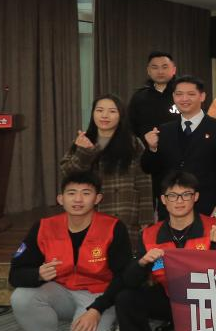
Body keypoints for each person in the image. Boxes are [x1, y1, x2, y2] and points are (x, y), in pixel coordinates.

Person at [9, 171, 126, 331]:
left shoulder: (113, 227)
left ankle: (106, 330)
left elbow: (123, 277)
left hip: (100, 294)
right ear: (61, 199)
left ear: (98, 198)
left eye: (86, 193)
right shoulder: (44, 227)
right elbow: (15, 274)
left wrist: (96, 310)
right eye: (71, 193)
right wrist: (37, 274)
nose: (78, 199)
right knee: (21, 297)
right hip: (61, 291)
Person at [116, 171, 216, 331]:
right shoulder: (149, 234)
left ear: (196, 197)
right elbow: (130, 279)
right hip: (170, 299)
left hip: (207, 303)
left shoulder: (214, 228)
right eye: (172, 196)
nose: (179, 201)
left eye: (185, 195)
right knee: (126, 297)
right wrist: (142, 262)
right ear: (163, 200)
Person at [140, 75, 216, 220]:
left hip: (208, 206)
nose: (184, 99)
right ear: (173, 97)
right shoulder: (164, 130)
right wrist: (152, 149)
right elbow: (149, 168)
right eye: (179, 94)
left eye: (191, 94)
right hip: (171, 207)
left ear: (202, 96)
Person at [60, 94, 153, 233]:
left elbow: (144, 181)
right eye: (99, 110)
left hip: (126, 209)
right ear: (93, 114)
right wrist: (83, 152)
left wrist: (146, 217)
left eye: (112, 111)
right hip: (92, 212)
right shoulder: (83, 141)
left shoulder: (133, 143)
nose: (104, 115)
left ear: (121, 116)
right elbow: (68, 175)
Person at [128, 50, 178, 136]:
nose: (160, 72)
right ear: (148, 70)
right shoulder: (139, 97)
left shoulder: (183, 95)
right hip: (147, 144)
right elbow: (131, 127)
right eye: (155, 67)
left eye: (164, 67)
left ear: (174, 70)